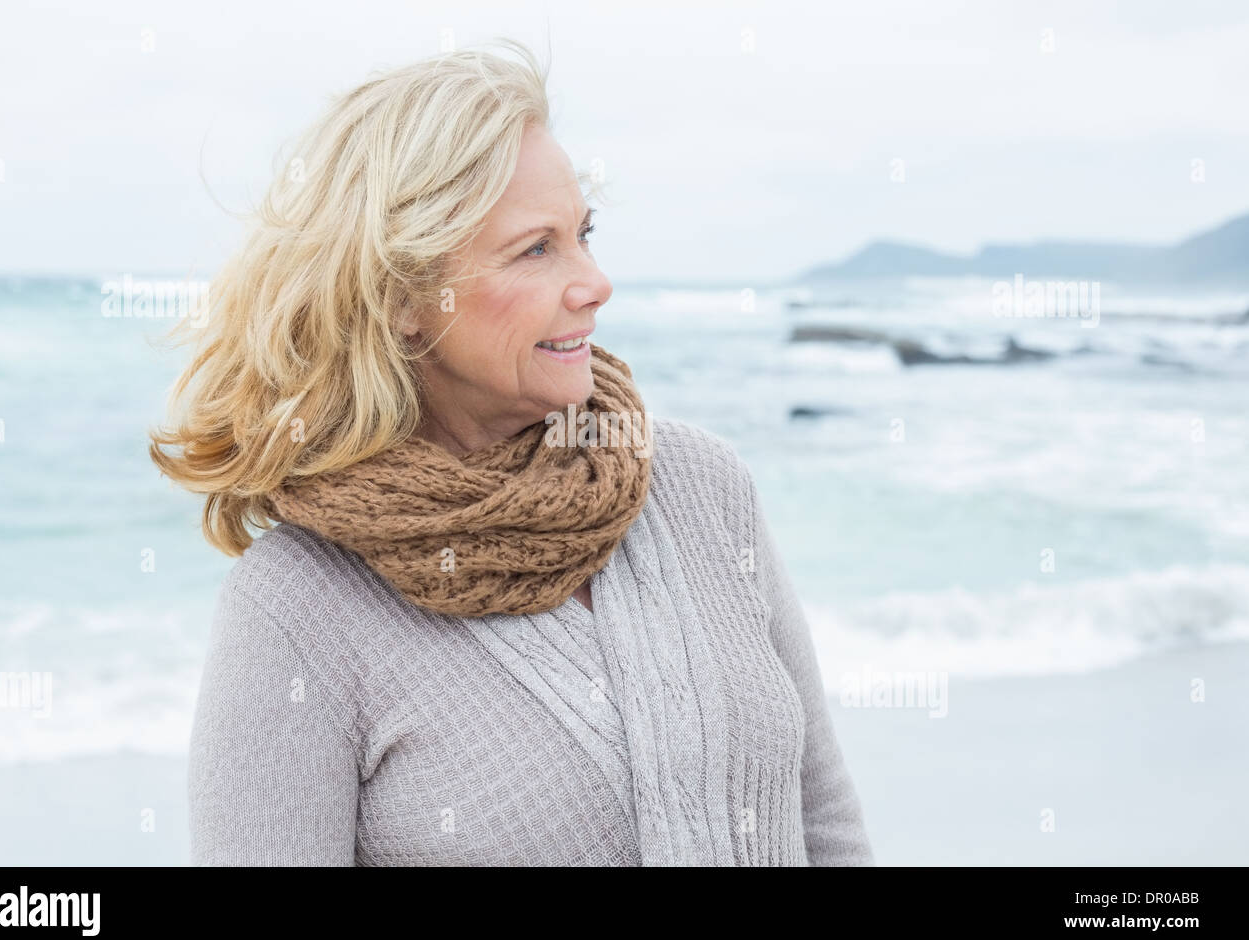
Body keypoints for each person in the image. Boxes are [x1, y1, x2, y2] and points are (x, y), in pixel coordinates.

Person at [150, 38, 874, 866]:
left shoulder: (701, 488)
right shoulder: (299, 607)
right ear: (402, 301)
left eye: (584, 234)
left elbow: (827, 825)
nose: (594, 282)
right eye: (537, 248)